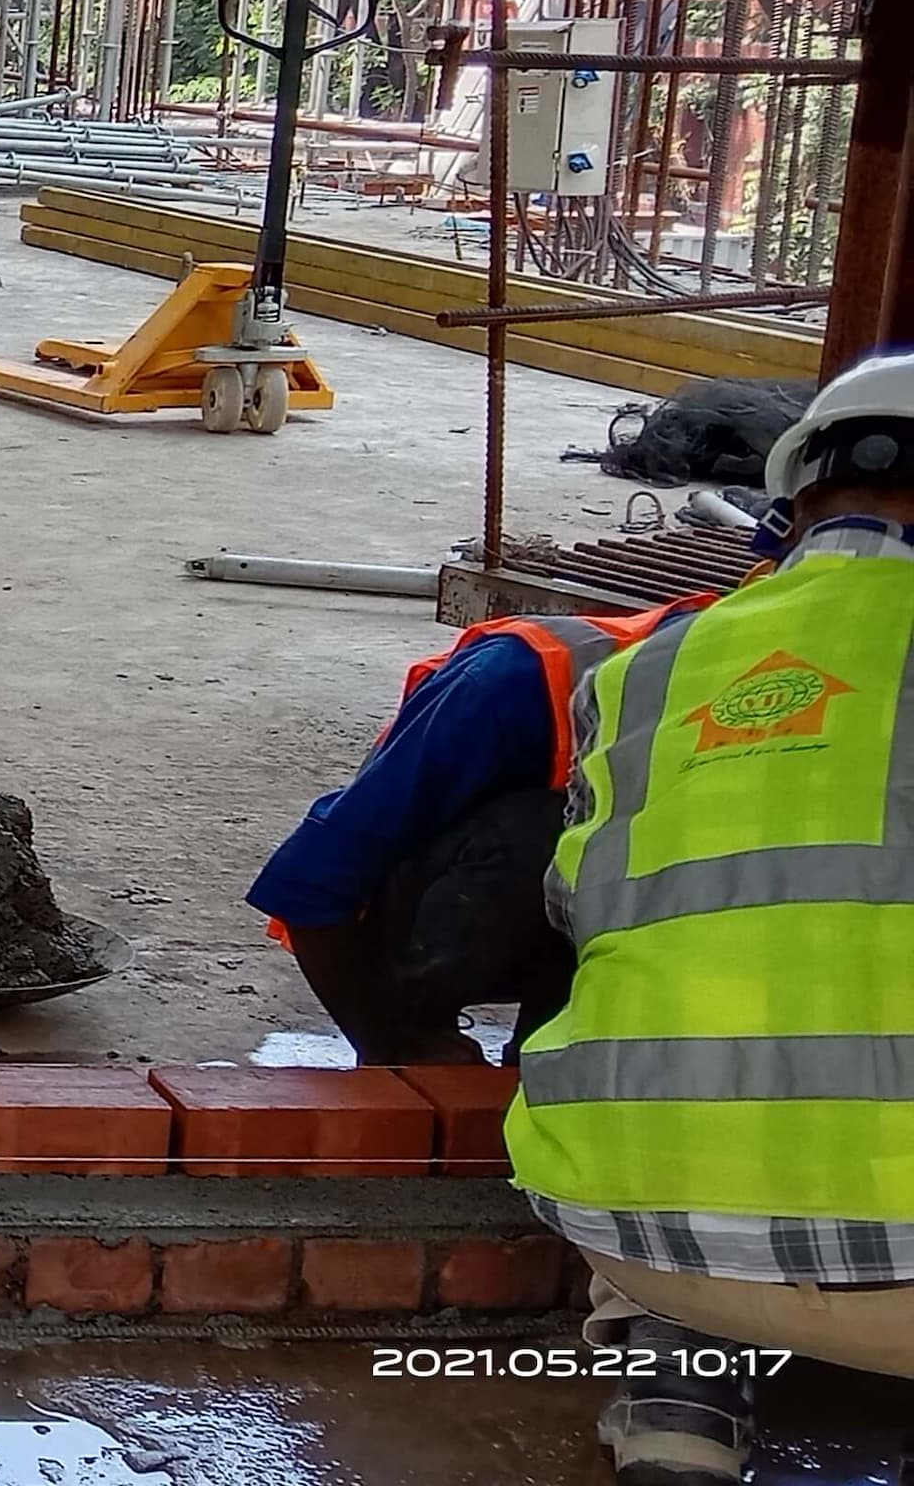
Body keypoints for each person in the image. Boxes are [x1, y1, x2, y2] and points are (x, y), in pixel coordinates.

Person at [511, 353, 914, 1485]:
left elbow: (577, 911)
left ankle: (680, 1397)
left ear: (796, 498)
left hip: (643, 1234)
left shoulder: (644, 667)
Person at [247, 596, 704, 1067]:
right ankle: (418, 1026)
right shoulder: (507, 684)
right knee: (545, 831)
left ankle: (550, 1052)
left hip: (586, 909)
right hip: (408, 917)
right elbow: (310, 884)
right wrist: (386, 1044)